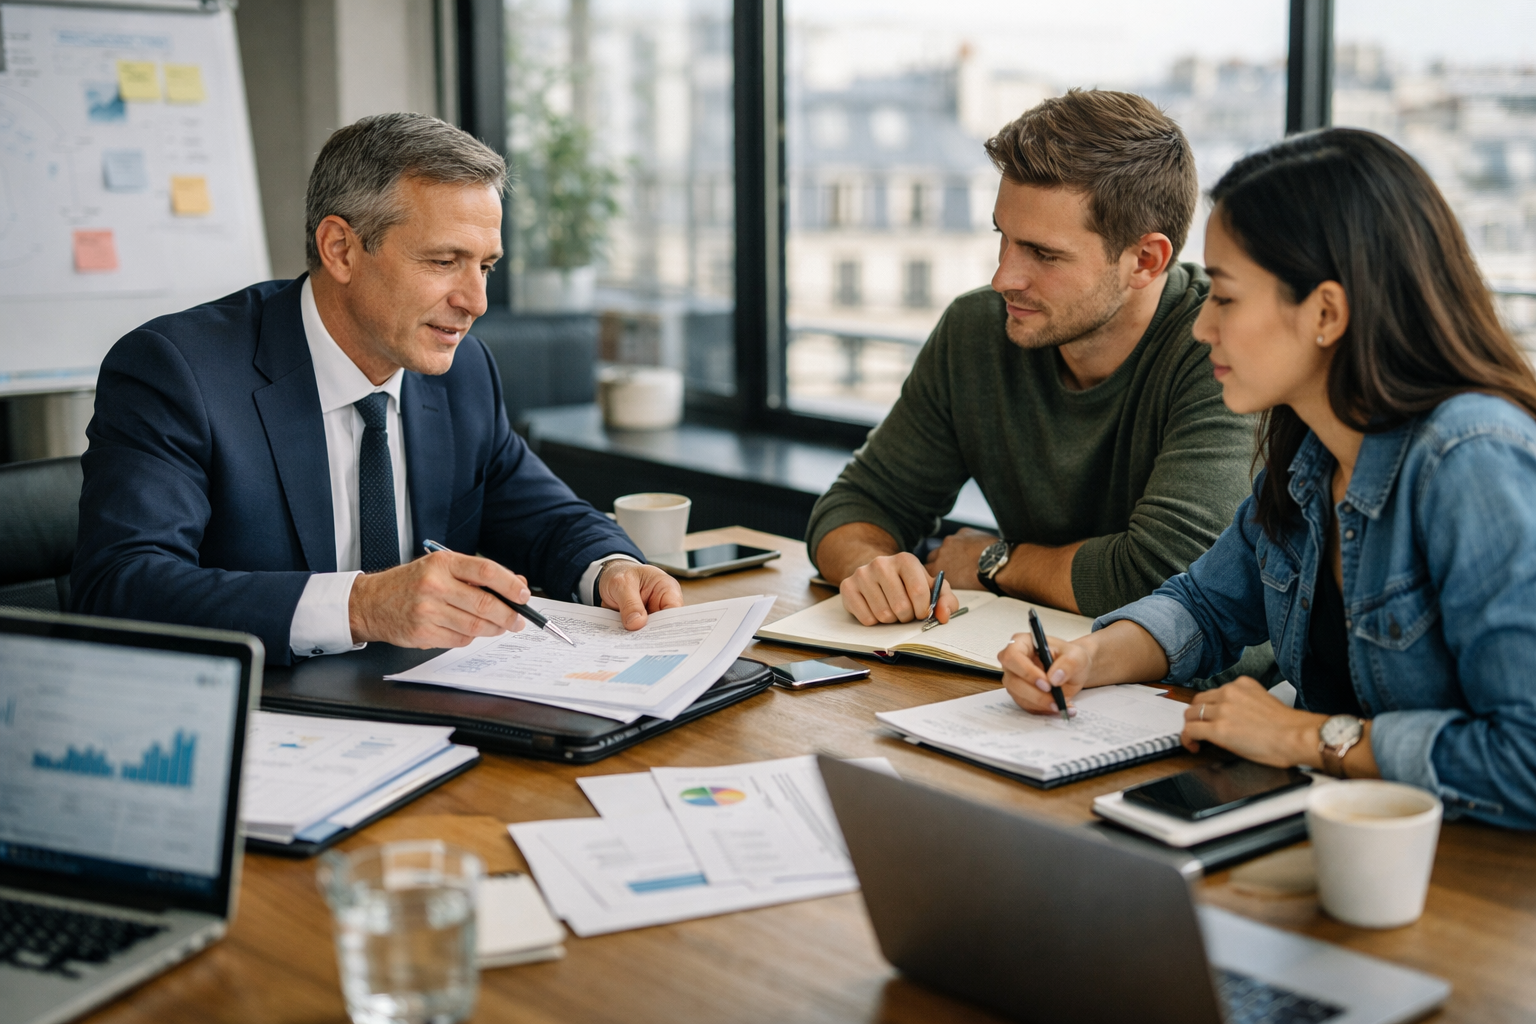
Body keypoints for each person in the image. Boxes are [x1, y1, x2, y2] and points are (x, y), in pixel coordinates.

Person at [1001, 127, 1536, 828]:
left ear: (1325, 312)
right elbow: (1205, 605)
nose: (1201, 327)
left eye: (1224, 297)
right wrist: (1085, 658)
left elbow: (1526, 757)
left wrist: (1302, 737)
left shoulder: (1471, 460)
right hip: (1351, 846)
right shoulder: (1311, 453)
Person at [72, 113, 680, 666]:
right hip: (269, 729)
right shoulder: (177, 371)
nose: (476, 302)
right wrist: (362, 605)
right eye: (444, 262)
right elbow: (123, 586)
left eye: (485, 265)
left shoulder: (463, 370)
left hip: (435, 718)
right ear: (340, 249)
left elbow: (543, 514)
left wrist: (613, 568)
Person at [807, 90, 1271, 682]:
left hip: (1192, 706)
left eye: (1043, 254)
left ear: (1146, 261)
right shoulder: (979, 330)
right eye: (1002, 236)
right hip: (1022, 679)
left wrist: (995, 560)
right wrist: (871, 569)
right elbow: (855, 506)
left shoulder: (1222, 346)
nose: (1003, 276)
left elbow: (1164, 581)